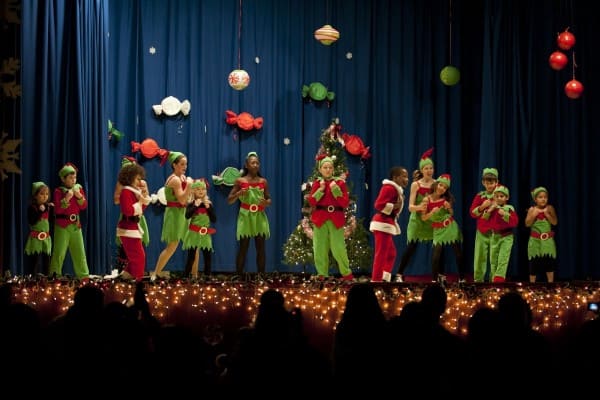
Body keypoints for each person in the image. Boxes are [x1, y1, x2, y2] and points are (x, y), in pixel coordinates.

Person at [307, 155, 353, 280]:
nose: (328, 170)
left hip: (336, 218)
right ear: (320, 169)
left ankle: (346, 274)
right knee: (319, 248)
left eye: (330, 167)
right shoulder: (317, 183)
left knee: (338, 248)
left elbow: (344, 203)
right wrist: (321, 190)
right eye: (325, 167)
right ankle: (322, 275)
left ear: (333, 169)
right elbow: (311, 202)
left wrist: (335, 189)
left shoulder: (339, 183)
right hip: (320, 219)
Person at [151, 151, 193, 281]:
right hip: (174, 215)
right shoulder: (175, 179)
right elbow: (181, 199)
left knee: (180, 246)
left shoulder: (181, 178)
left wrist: (190, 197)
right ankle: (155, 274)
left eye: (186, 164)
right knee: (172, 246)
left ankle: (158, 272)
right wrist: (190, 186)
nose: (185, 167)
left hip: (181, 214)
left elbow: (186, 199)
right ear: (174, 165)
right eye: (182, 164)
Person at [227, 151, 271, 274]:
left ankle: (261, 276)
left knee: (261, 248)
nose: (256, 165)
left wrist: (266, 202)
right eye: (253, 163)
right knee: (243, 248)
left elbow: (268, 198)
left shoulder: (263, 181)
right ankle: (239, 276)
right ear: (246, 165)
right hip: (245, 216)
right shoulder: (240, 181)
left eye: (257, 163)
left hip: (259, 216)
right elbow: (229, 200)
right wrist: (238, 194)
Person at [395, 148, 435, 282]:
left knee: (438, 245)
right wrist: (420, 207)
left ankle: (439, 274)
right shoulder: (415, 185)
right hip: (417, 220)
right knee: (411, 246)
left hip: (430, 219)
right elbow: (410, 207)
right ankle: (399, 274)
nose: (429, 171)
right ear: (422, 170)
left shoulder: (436, 184)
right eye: (426, 168)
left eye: (431, 168)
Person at [109, 156, 150, 277]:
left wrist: (143, 199)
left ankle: (125, 278)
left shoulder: (133, 192)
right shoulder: (126, 192)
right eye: (138, 179)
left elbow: (140, 210)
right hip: (128, 229)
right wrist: (141, 202)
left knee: (135, 258)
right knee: (139, 258)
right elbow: (128, 211)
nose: (140, 182)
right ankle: (137, 282)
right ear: (130, 178)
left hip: (132, 228)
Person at [420, 174, 465, 284]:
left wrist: (448, 207)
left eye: (445, 188)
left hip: (450, 226)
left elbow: (451, 213)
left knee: (458, 253)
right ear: (436, 184)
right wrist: (432, 212)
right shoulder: (426, 199)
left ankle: (462, 278)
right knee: (436, 256)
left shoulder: (445, 199)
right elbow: (423, 217)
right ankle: (434, 281)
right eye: (440, 185)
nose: (442, 188)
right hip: (438, 229)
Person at [48, 163, 89, 279]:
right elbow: (58, 210)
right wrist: (66, 198)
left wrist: (79, 197)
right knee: (59, 253)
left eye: (75, 177)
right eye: (70, 178)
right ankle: (55, 276)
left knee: (80, 253)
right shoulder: (58, 191)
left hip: (76, 226)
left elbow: (84, 206)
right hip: (62, 226)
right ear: (63, 178)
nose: (73, 180)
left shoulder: (78, 189)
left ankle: (84, 277)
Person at [369, 166, 409, 282]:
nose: (407, 179)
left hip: (387, 223)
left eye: (407, 177)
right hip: (383, 223)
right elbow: (378, 205)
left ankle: (385, 277)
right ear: (395, 178)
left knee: (391, 253)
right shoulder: (389, 188)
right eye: (404, 176)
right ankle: (376, 281)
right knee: (381, 254)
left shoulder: (395, 189)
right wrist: (394, 206)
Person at [482, 184, 518, 282]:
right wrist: (489, 210)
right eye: (496, 196)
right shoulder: (493, 208)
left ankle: (499, 280)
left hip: (506, 236)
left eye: (501, 196)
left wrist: (505, 214)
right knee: (493, 260)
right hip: (494, 236)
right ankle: (493, 280)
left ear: (507, 197)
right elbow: (484, 220)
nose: (499, 198)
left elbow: (515, 222)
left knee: (503, 258)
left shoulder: (510, 208)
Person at [182, 178, 216, 279]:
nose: (201, 191)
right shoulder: (191, 204)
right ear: (193, 191)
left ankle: (207, 276)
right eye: (198, 189)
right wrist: (195, 206)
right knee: (191, 256)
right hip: (193, 234)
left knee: (207, 256)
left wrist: (209, 208)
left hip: (205, 234)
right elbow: (187, 216)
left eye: (203, 189)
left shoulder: (208, 204)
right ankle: (186, 276)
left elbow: (214, 219)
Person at [469, 167, 499, 282]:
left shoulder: (500, 195)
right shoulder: (480, 196)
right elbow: (472, 212)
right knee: (480, 257)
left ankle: (494, 282)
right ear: (483, 183)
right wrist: (482, 206)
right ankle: (478, 281)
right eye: (487, 183)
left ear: (496, 182)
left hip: (495, 232)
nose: (489, 185)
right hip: (482, 231)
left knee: (494, 258)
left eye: (491, 183)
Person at [525, 186, 558, 283]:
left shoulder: (550, 208)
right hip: (535, 241)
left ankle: (550, 284)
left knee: (549, 263)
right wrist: (533, 215)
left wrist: (547, 215)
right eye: (540, 197)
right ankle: (532, 285)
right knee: (534, 263)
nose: (543, 199)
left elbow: (555, 222)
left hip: (547, 241)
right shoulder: (532, 209)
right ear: (535, 199)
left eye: (545, 197)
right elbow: (527, 224)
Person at [24, 181, 53, 276]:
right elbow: (32, 221)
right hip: (36, 238)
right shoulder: (32, 207)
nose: (45, 196)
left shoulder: (47, 207)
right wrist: (40, 211)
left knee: (46, 261)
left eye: (46, 194)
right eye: (42, 194)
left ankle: (47, 280)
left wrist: (52, 210)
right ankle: (31, 280)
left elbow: (51, 221)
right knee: (34, 261)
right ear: (35, 196)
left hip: (46, 238)